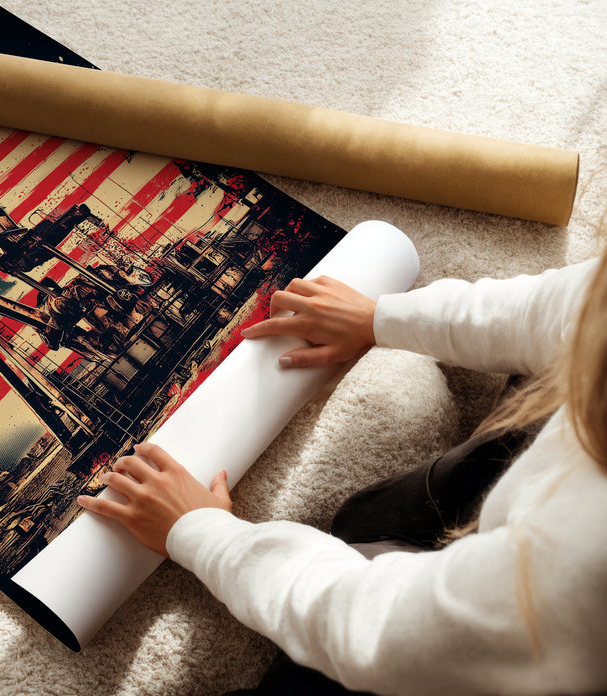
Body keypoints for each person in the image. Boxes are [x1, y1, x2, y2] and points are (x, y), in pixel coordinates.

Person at [77, 253, 607, 695]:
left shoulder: (582, 565)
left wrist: (202, 533)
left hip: (527, 643)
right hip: (540, 527)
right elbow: (569, 306)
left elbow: (379, 629)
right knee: (371, 518)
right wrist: (380, 318)